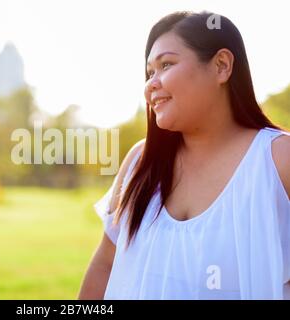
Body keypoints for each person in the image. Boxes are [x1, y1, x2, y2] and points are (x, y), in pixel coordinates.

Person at [78, 11, 290, 300]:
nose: (151, 84)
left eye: (166, 64)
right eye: (149, 72)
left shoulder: (278, 159)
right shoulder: (140, 162)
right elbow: (105, 264)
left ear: (221, 66)